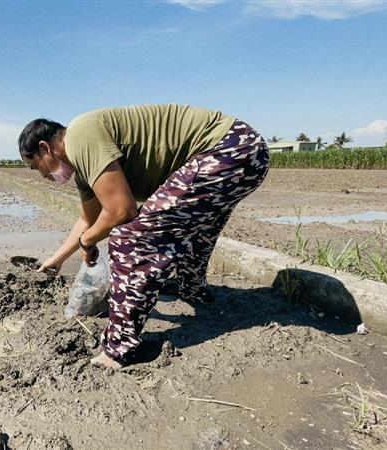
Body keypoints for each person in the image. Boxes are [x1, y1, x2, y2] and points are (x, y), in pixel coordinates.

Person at [18, 104, 269, 369]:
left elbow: (121, 210)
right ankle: (192, 289)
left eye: (36, 167)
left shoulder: (79, 136)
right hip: (247, 153)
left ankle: (119, 348)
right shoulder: (82, 168)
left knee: (130, 238)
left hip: (228, 149)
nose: (44, 175)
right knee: (196, 230)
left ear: (45, 148)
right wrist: (56, 260)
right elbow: (86, 220)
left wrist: (89, 241)